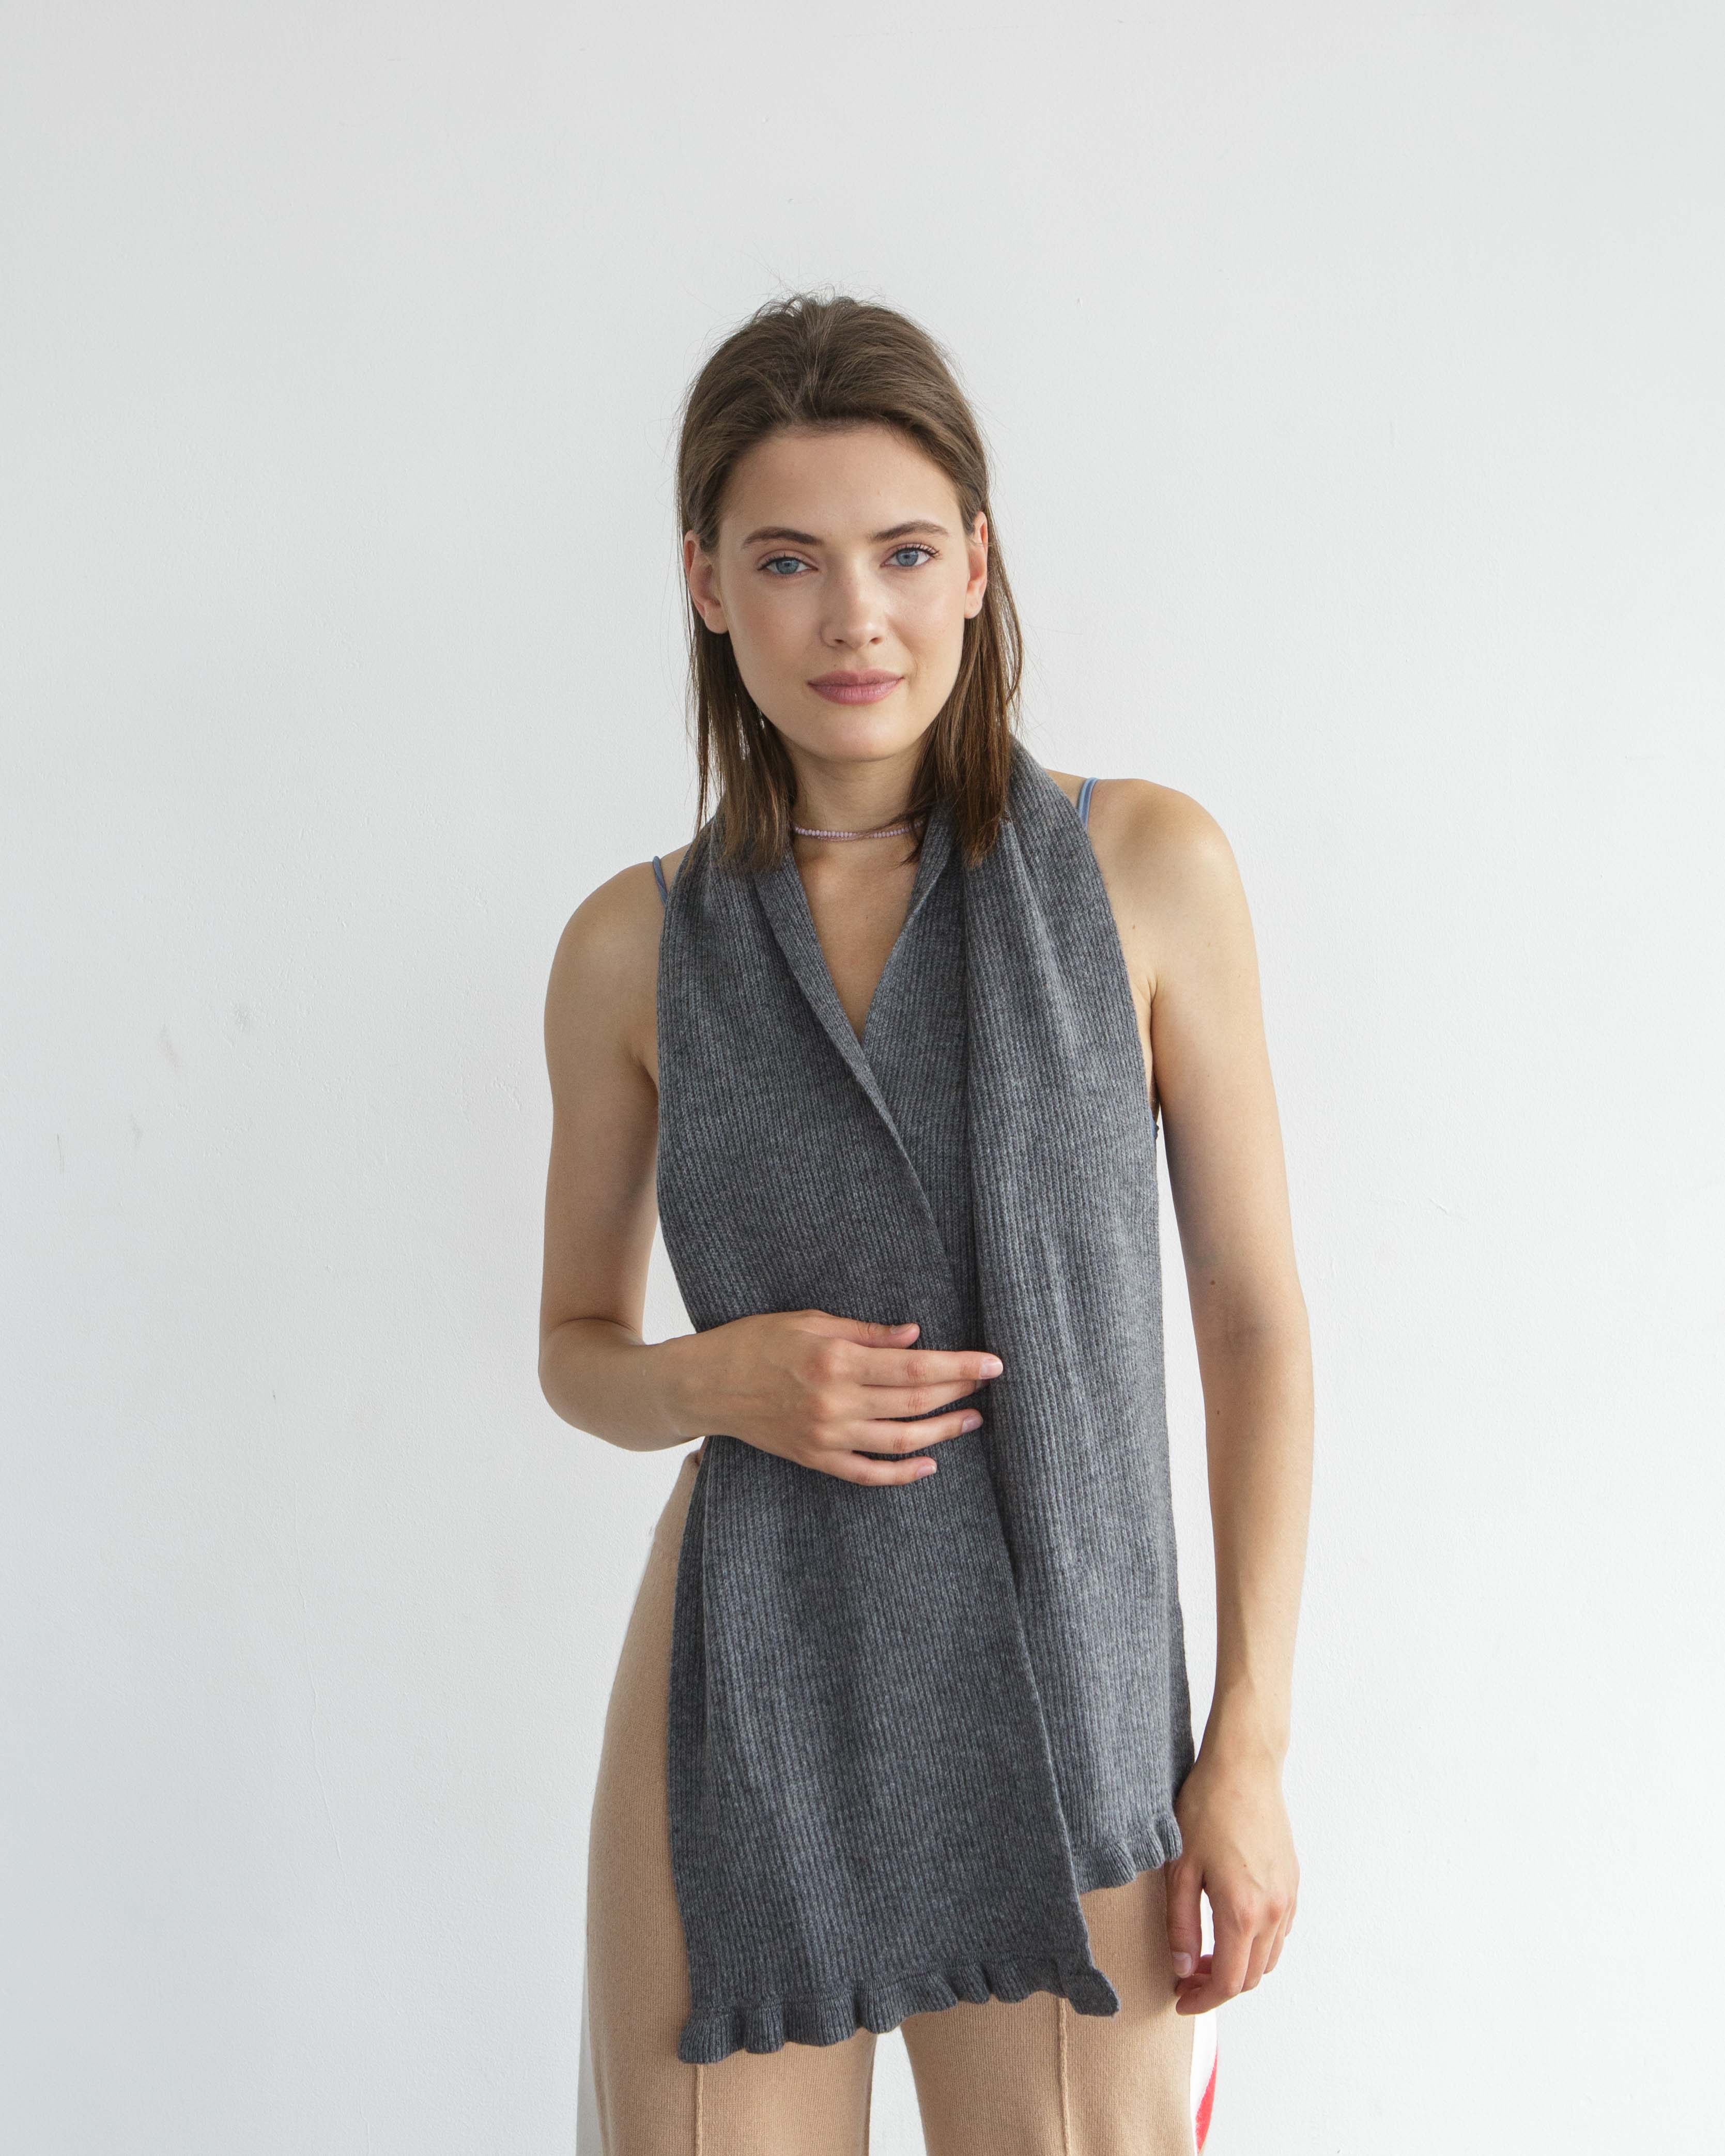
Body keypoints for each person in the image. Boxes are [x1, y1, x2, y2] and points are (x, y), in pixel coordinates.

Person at [538, 292, 1312, 2155]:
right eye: (785, 560)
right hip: (748, 1691)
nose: (852, 618)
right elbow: (574, 1351)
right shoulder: (632, 945)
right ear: (706, 584)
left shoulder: (1147, 868)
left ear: (975, 560)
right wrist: (718, 1376)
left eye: (898, 552)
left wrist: (1247, 1746)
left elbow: (1251, 1323)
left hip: (1071, 1691)